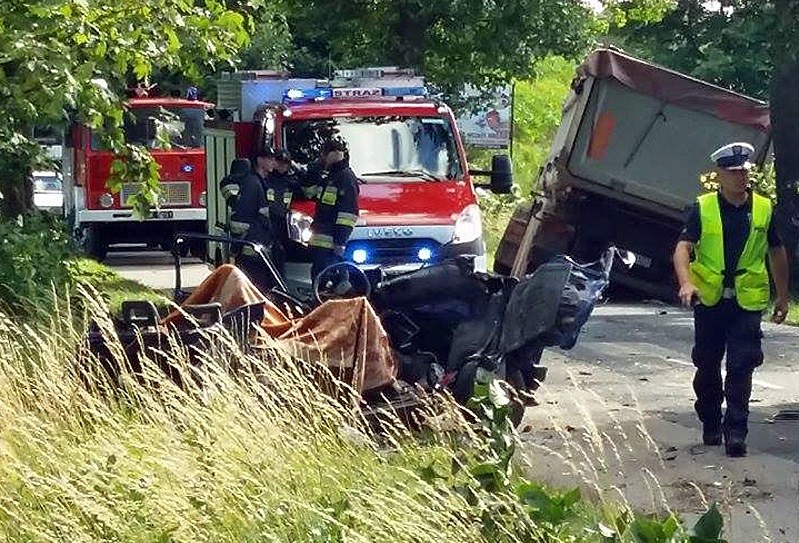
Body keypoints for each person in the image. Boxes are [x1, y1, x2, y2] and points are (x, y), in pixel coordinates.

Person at [673, 142, 790, 457]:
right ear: (720, 175)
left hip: (747, 302)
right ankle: (710, 420)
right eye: (733, 171)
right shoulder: (703, 207)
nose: (740, 176)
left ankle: (736, 431)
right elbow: (683, 247)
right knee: (707, 364)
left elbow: (776, 252)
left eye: (744, 170)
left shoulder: (764, 208)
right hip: (710, 300)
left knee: (741, 365)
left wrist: (782, 296)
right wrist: (686, 283)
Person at [219, 156, 275, 293]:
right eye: (270, 158)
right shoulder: (253, 184)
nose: (273, 162)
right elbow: (244, 220)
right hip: (253, 246)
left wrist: (236, 246)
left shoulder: (245, 184)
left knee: (248, 286)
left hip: (249, 246)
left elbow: (239, 222)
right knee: (254, 287)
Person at [307, 139, 360, 281]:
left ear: (334, 154)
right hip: (322, 244)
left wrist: (340, 241)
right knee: (320, 280)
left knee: (333, 284)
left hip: (332, 245)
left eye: (324, 154)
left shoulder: (345, 177)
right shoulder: (329, 176)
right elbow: (308, 193)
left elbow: (348, 214)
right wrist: (313, 171)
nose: (322, 158)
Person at [261, 148, 297, 272]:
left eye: (285, 163)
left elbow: (308, 193)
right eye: (279, 161)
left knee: (280, 256)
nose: (282, 165)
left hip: (284, 227)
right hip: (267, 225)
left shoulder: (292, 183)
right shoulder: (264, 180)